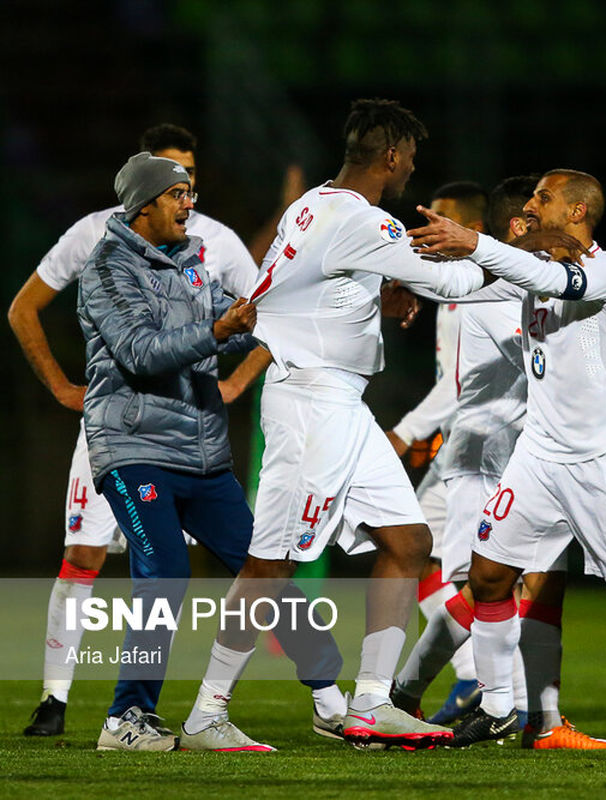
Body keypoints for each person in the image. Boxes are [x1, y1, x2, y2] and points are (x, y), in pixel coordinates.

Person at [179, 98, 487, 752]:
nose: (411, 172)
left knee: (408, 541)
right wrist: (485, 252)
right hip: (313, 406)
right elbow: (453, 283)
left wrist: (376, 290)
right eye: (411, 160)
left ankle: (372, 703)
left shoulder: (312, 205)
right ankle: (207, 712)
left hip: (341, 405)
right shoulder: (365, 221)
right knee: (273, 562)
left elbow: (298, 290)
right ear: (393, 157)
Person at [408, 169, 606, 754]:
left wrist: (478, 244)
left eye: (544, 198)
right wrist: (391, 268)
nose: (531, 206)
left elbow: (552, 277)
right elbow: (459, 284)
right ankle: (495, 708)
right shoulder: (525, 274)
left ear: (579, 212)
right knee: (488, 575)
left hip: (601, 461)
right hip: (538, 455)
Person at [8, 124, 268, 737]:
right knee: (85, 554)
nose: (188, 196)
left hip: (188, 438)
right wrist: (58, 385)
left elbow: (262, 310)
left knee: (239, 562)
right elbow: (25, 306)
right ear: (146, 189)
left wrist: (236, 383)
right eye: (175, 182)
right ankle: (58, 698)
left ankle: (330, 696)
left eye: (192, 181)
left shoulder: (215, 241)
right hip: (120, 431)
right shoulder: (95, 237)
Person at [77, 151, 342, 751]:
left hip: (201, 452)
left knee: (265, 566)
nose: (189, 204)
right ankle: (124, 720)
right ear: (144, 205)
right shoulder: (108, 269)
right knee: (166, 571)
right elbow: (139, 352)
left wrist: (303, 308)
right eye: (177, 195)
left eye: (189, 193)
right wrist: (218, 333)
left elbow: (235, 317)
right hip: (133, 447)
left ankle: (331, 698)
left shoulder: (191, 262)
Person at [392, 175, 606, 750]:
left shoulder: (539, 281)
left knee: (544, 587)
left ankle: (545, 720)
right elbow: (535, 359)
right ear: (521, 226)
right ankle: (425, 694)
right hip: (483, 455)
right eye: (542, 215)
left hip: (534, 459)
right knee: (480, 588)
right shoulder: (490, 289)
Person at [386, 181, 489, 724]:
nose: (429, 227)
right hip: (462, 441)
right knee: (421, 548)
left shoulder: (475, 290)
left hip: (479, 449)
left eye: (442, 217)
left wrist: (404, 432)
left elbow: (459, 385)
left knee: (464, 564)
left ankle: (495, 684)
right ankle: (479, 676)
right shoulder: (456, 287)